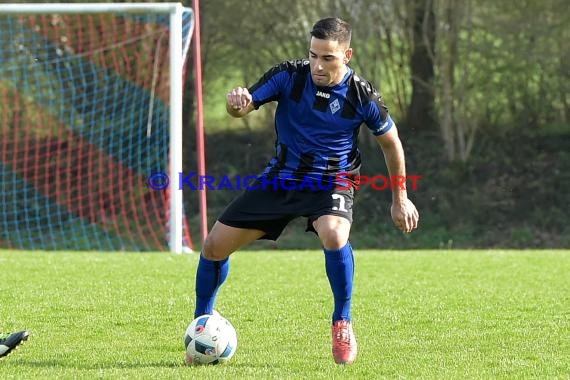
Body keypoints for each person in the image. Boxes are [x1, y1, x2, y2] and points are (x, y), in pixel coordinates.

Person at [193, 17, 419, 365]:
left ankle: (342, 321)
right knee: (213, 246)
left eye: (328, 58)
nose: (318, 65)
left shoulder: (362, 94)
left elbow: (392, 144)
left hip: (332, 181)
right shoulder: (289, 75)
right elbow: (243, 107)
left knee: (333, 233)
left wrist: (400, 198)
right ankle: (201, 325)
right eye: (313, 55)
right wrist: (235, 103)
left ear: (347, 55)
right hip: (281, 178)